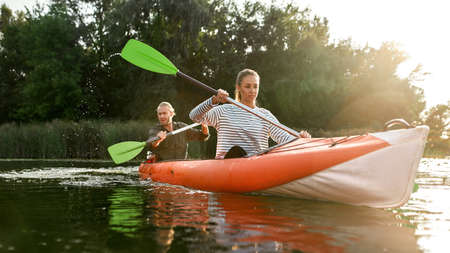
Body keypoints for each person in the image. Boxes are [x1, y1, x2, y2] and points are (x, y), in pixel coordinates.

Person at [189, 69, 310, 159]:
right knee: (236, 152)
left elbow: (283, 138)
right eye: (247, 86)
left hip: (256, 166)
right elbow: (194, 116)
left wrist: (300, 140)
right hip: (226, 166)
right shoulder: (223, 111)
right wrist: (213, 100)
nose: (252, 91)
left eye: (255, 87)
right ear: (238, 88)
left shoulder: (265, 115)